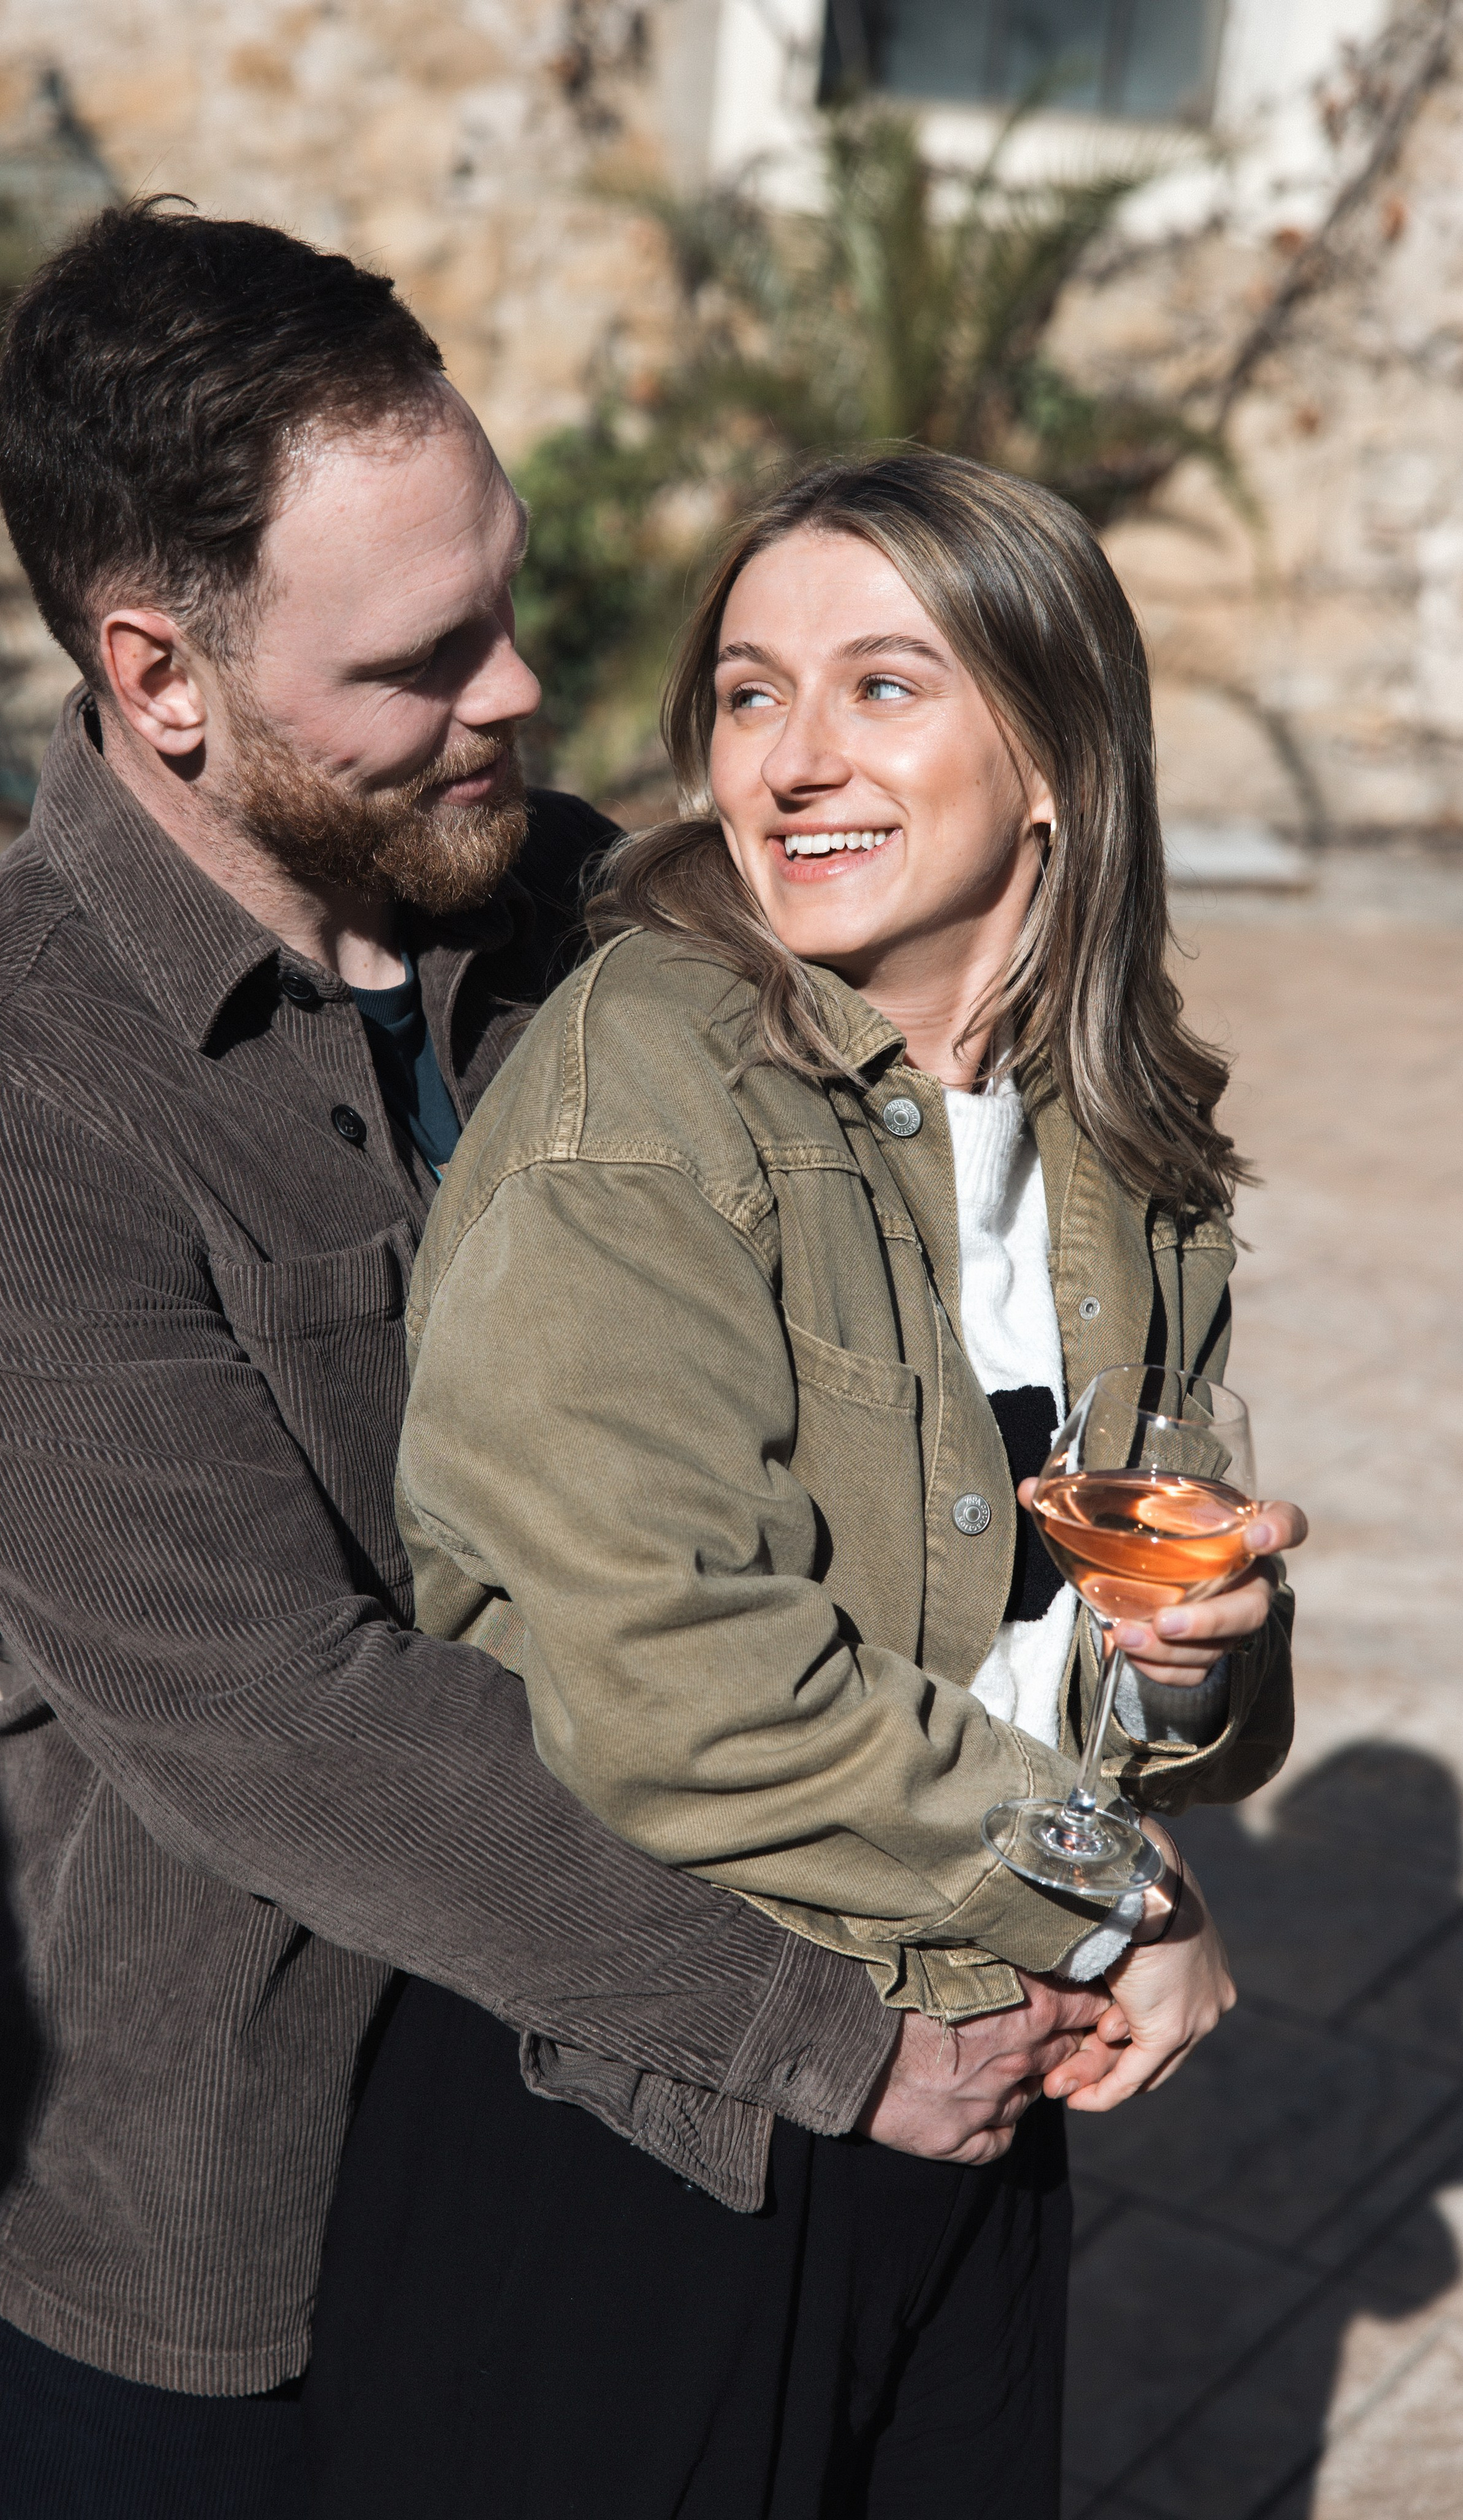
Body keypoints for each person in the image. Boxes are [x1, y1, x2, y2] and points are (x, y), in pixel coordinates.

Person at [0, 211, 1118, 2519]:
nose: (515, 690)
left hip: (603, 2178)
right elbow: (278, 1715)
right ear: (161, 675)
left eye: (503, 601)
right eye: (421, 660)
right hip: (221, 2218)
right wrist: (837, 2026)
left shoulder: (587, 920)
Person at [303, 450, 1305, 2517]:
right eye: (751, 693)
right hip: (656, 2124)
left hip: (979, 2077)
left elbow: (1153, 1674)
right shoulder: (645, 1104)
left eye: (882, 687)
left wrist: (1200, 1672)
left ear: (1055, 754)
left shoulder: (1126, 1142)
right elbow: (674, 1672)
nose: (792, 759)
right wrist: (1117, 1902)